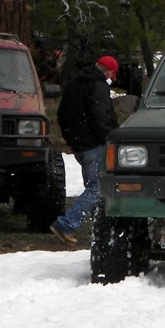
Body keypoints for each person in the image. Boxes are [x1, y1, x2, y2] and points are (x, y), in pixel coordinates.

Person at [50, 55, 120, 245]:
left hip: (79, 145)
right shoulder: (98, 86)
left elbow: (61, 114)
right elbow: (101, 118)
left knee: (92, 186)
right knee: (98, 188)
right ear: (110, 72)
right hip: (93, 145)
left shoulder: (74, 82)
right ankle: (66, 224)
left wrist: (71, 138)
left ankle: (100, 231)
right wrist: (113, 137)